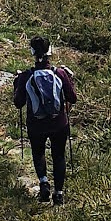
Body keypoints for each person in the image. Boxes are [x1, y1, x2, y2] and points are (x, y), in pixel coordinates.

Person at [14, 36, 77, 206]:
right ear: (50, 51)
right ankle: (59, 194)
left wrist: (16, 83)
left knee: (38, 152)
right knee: (59, 155)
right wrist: (70, 80)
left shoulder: (26, 76)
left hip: (36, 124)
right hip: (59, 122)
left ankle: (43, 183)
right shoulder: (60, 73)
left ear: (32, 52)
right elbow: (72, 98)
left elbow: (18, 103)